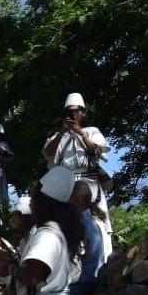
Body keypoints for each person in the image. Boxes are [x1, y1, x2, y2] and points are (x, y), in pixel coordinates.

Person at [5, 166, 83, 295]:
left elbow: (33, 277)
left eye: (34, 197)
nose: (31, 203)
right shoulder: (64, 231)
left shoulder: (48, 235)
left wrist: (11, 268)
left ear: (43, 201)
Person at [42, 92, 112, 236]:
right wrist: (62, 132)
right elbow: (47, 153)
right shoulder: (58, 135)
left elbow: (95, 151)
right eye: (70, 111)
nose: (73, 114)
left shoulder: (92, 131)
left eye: (76, 110)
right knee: (66, 223)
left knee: (96, 220)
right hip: (66, 183)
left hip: (89, 181)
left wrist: (80, 133)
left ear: (83, 113)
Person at [68, 181, 104, 295]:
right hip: (84, 286)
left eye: (68, 198)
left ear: (78, 200)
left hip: (81, 289)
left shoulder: (84, 226)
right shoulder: (88, 223)